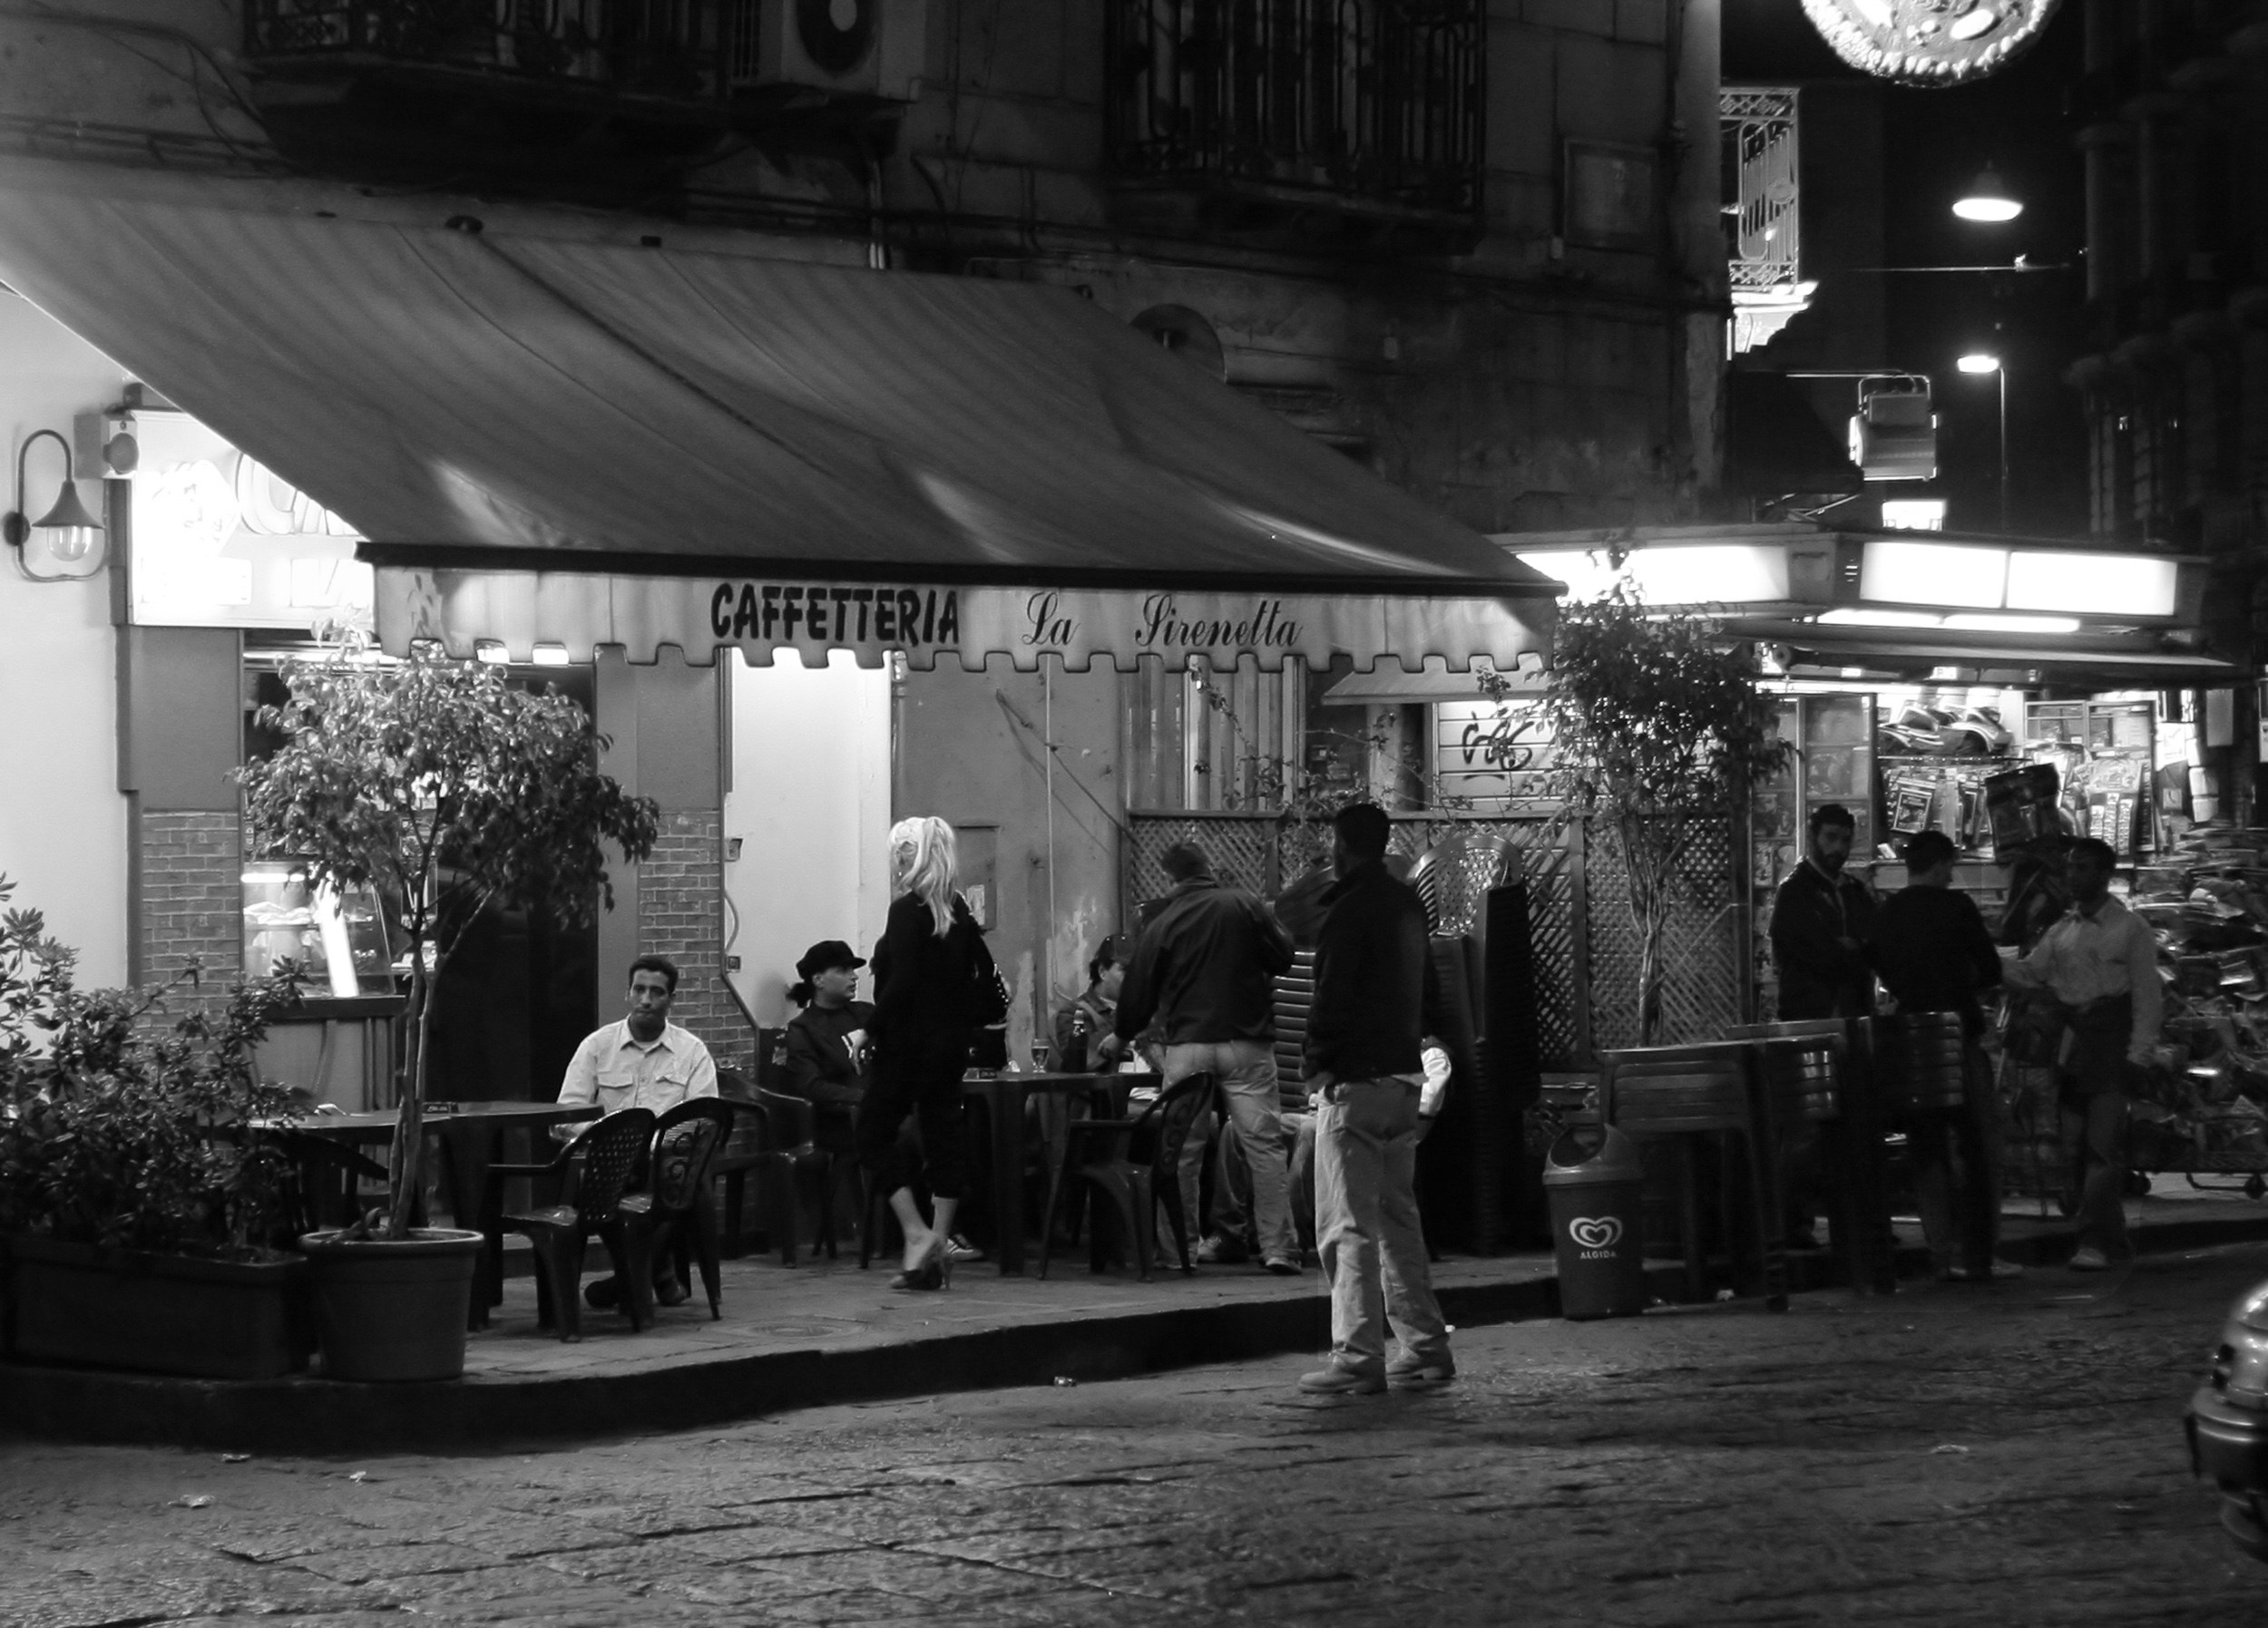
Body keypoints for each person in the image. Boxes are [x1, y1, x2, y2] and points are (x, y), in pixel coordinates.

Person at [1298, 802, 1452, 1396]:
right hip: (1402, 1080)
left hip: (1354, 1083)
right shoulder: (1408, 904)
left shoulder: (1346, 911)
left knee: (1347, 1228)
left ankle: (1358, 1355)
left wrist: (1317, 1068)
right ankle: (1425, 1346)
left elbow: (1330, 998)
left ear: (1341, 845)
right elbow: (1430, 992)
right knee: (1398, 1222)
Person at [1102, 839, 1301, 1274]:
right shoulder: (1245, 904)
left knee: (1180, 1150)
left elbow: (1137, 993)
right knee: (1264, 1146)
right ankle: (1278, 1248)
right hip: (1246, 1043)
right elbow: (1284, 956)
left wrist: (1121, 1036)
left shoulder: (1162, 923)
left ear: (1170, 879)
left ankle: (1177, 1252)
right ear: (1207, 868)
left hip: (1188, 1047)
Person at [2001, 836, 2161, 1271]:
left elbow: (2148, 997)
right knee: (2075, 1148)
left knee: (2101, 1150)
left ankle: (2092, 1239)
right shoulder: (2061, 931)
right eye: (2070, 867)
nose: (2073, 876)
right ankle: (2114, 1243)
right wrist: (1989, 960)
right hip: (2074, 1048)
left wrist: (2139, 1056)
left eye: (2083, 868)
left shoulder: (2130, 929)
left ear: (2105, 874)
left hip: (2112, 1045)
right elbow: (2032, 972)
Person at [1869, 829, 2016, 1282]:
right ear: (1938, 865)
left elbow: (1881, 969)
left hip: (1914, 1043)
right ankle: (1980, 1253)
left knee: (1926, 1151)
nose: (1952, 873)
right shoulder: (1957, 908)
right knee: (1976, 1148)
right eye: (1950, 865)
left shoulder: (1888, 913)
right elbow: (1990, 967)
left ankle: (1940, 1250)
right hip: (1957, 1037)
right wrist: (1958, 980)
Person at [554, 954, 718, 1308]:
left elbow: (703, 1120)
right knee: (602, 1188)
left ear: (671, 999)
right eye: (639, 989)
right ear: (628, 993)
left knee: (680, 1185)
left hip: (668, 1162)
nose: (646, 999)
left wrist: (658, 1145)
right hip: (609, 1161)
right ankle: (654, 1275)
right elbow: (566, 1114)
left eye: (656, 992)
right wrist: (609, 1138)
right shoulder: (597, 1047)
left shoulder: (692, 1052)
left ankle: (630, 1280)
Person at [863, 815, 982, 1292]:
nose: (898, 860)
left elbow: (902, 982)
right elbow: (984, 979)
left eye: (905, 851)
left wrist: (866, 1030)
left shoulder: (906, 909)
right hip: (950, 1047)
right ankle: (938, 1241)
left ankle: (917, 1235)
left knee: (871, 1131)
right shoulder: (958, 910)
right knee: (943, 1137)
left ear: (923, 854)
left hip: (907, 1045)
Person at [1769, 802, 1879, 1250]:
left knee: (1852, 1127)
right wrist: (1850, 950)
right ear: (1813, 836)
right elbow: (1816, 954)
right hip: (1810, 1022)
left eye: (1844, 839)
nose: (1838, 848)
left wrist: (1850, 949)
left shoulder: (1850, 891)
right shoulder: (1795, 892)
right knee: (1807, 1130)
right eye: (1831, 838)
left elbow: (1873, 945)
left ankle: (1852, 1224)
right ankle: (1793, 1225)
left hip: (1850, 1019)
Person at [782, 940, 873, 1157]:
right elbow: (811, 1086)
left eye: (853, 970)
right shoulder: (803, 1029)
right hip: (842, 1122)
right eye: (843, 970)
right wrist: (866, 1098)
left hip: (885, 1110)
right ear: (818, 980)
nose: (854, 976)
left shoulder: (867, 1014)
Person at [1053, 937, 1129, 1075]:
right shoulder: (1072, 1013)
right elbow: (1083, 1062)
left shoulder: (1146, 1011)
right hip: (1104, 1094)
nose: (1133, 977)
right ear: (1102, 972)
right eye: (1125, 970)